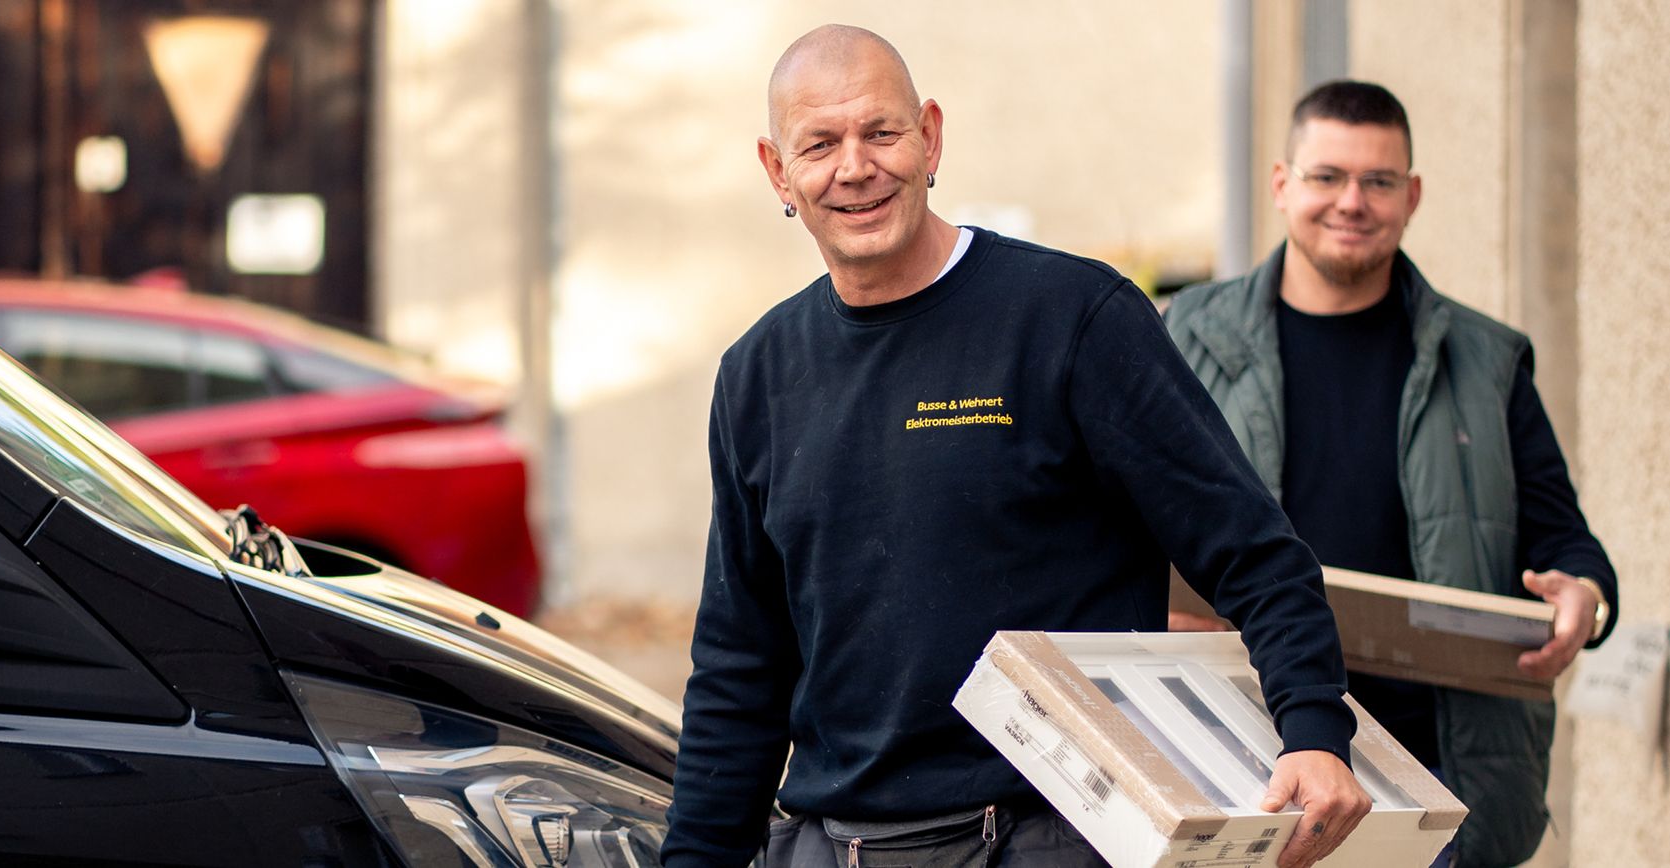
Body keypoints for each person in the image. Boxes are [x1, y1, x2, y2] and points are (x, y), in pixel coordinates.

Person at [661, 25, 1369, 868]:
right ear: (778, 172)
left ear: (930, 135)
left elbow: (1250, 549)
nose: (855, 167)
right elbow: (739, 666)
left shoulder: (1070, 317)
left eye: (881, 132)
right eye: (819, 144)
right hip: (836, 844)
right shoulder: (757, 375)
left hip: (1050, 836)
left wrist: (1314, 728)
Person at [1162, 80, 1618, 868]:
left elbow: (1566, 542)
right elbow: (1105, 523)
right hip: (1245, 754)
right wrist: (1144, 611)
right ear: (1281, 185)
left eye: (1377, 182)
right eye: (1326, 177)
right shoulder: (1183, 337)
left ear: (1410, 197)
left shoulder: (1485, 359)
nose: (1351, 202)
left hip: (1437, 775)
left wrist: (1584, 595)